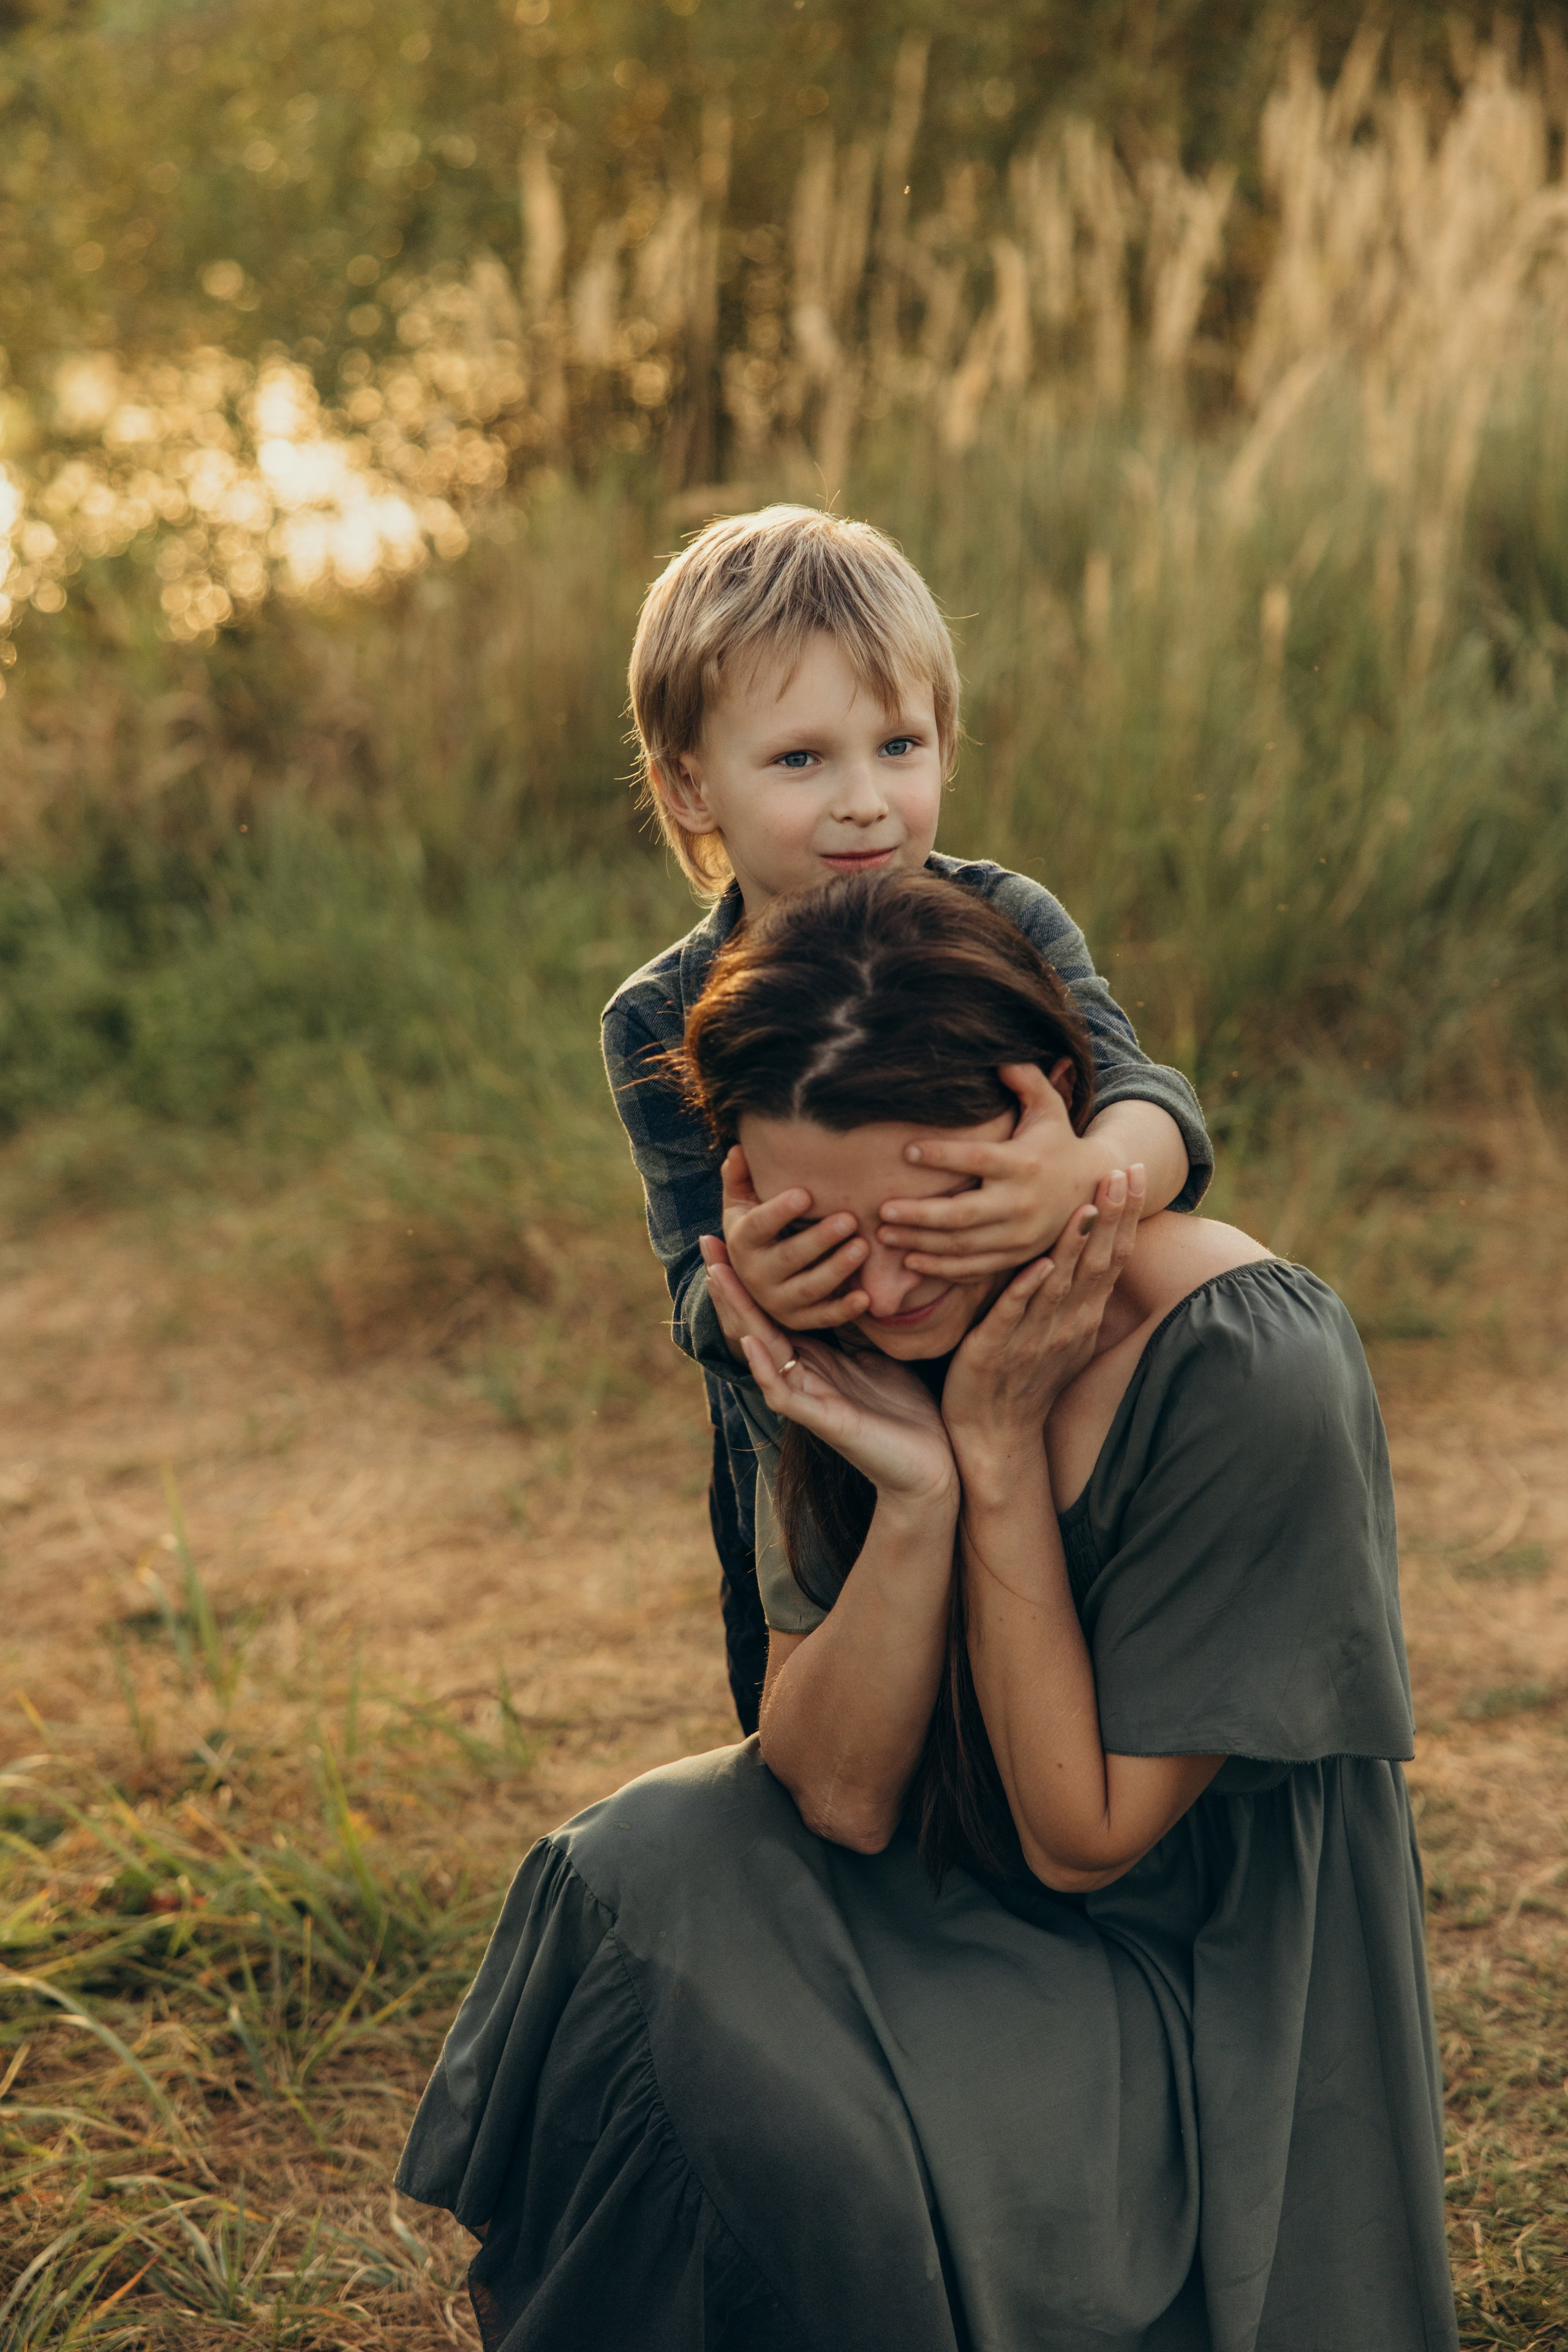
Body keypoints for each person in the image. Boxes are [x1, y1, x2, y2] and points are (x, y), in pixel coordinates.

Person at [399, 873, 1458, 2352]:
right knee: (645, 1863)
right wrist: (912, 1494)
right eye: (825, 1228)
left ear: (1047, 1122)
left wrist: (999, 1458)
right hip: (945, 1884)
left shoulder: (1243, 1362)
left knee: (795, 2110)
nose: (884, 1285)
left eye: (930, 1216)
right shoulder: (829, 1308)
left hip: (1184, 1988)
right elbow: (827, 1789)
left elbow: (1084, 1839)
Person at [600, 504, 1213, 1733]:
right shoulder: (663, 1014)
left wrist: (1085, 1175)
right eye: (800, 760)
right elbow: (693, 1297)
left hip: (1033, 1385)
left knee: (1043, 1684)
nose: (865, 803)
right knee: (834, 1730)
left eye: (898, 745)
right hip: (817, 1443)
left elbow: (1160, 1111)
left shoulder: (1007, 925)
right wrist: (751, 1285)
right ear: (689, 785)